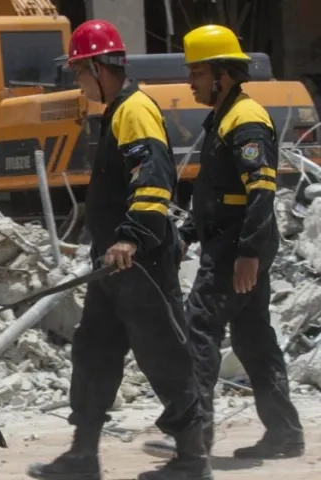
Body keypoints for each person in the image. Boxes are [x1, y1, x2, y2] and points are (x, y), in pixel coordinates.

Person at [26, 20, 212, 480]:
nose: (77, 81)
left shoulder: (135, 110)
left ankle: (192, 459)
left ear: (97, 66)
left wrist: (131, 236)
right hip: (114, 264)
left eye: (78, 71)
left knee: (163, 356)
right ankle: (83, 455)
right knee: (93, 352)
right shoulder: (117, 111)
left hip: (140, 261)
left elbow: (152, 178)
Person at [141, 24, 305, 461]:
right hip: (232, 241)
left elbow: (261, 191)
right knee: (254, 341)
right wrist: (188, 234)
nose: (190, 81)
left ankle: (193, 437)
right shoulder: (225, 116)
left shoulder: (245, 119)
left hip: (236, 248)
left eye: (197, 72)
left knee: (198, 328)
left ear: (222, 74)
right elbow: (219, 194)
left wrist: (248, 252)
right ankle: (285, 434)